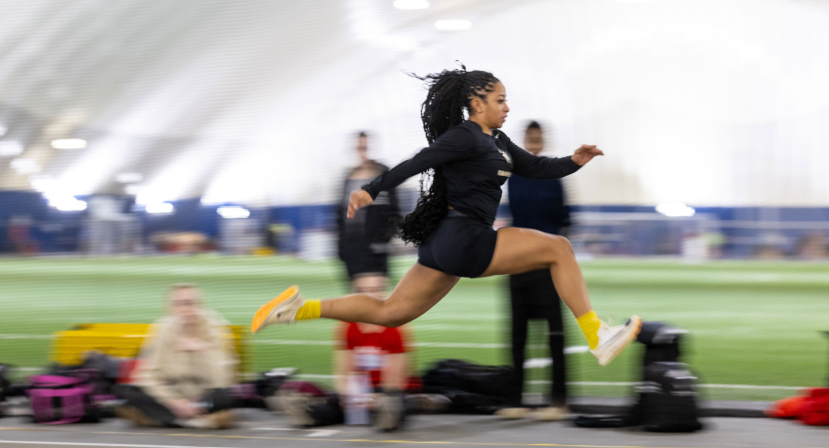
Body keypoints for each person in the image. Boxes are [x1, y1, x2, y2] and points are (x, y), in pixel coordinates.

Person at [252, 64, 641, 367]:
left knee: (390, 313)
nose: (507, 107)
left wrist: (575, 160)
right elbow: (417, 162)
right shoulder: (464, 136)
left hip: (447, 245)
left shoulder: (499, 141)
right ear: (477, 103)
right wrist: (370, 189)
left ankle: (297, 309)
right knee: (559, 248)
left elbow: (537, 169)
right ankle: (598, 335)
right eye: (500, 100)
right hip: (466, 238)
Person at [501, 121, 570, 420]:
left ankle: (558, 401)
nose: (534, 143)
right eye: (530, 139)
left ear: (543, 141)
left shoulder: (555, 176)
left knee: (555, 334)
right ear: (525, 141)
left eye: (538, 139)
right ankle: (516, 400)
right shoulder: (514, 176)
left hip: (547, 266)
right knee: (517, 335)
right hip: (518, 263)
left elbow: (565, 220)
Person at [115, 284, 239, 428]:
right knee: (130, 393)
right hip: (173, 396)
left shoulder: (215, 328)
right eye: (179, 304)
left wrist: (203, 350)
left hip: (203, 398)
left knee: (227, 396)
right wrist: (173, 402)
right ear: (170, 308)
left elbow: (222, 380)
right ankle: (191, 421)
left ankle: (164, 419)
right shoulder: (162, 330)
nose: (185, 309)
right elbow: (147, 376)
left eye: (190, 303)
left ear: (200, 306)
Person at [281, 322, 411, 431]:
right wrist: (346, 394)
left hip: (383, 391)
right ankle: (307, 411)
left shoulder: (394, 328)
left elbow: (398, 377)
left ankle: (388, 413)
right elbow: (343, 368)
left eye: (374, 291)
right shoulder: (349, 327)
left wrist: (377, 398)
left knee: (398, 401)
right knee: (335, 403)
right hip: (358, 389)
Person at [338, 131, 401, 295]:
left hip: (376, 252)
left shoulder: (384, 175)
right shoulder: (347, 178)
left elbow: (394, 213)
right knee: (355, 302)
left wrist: (382, 241)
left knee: (376, 301)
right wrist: (343, 249)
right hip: (353, 250)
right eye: (360, 148)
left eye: (366, 148)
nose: (363, 153)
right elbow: (339, 217)